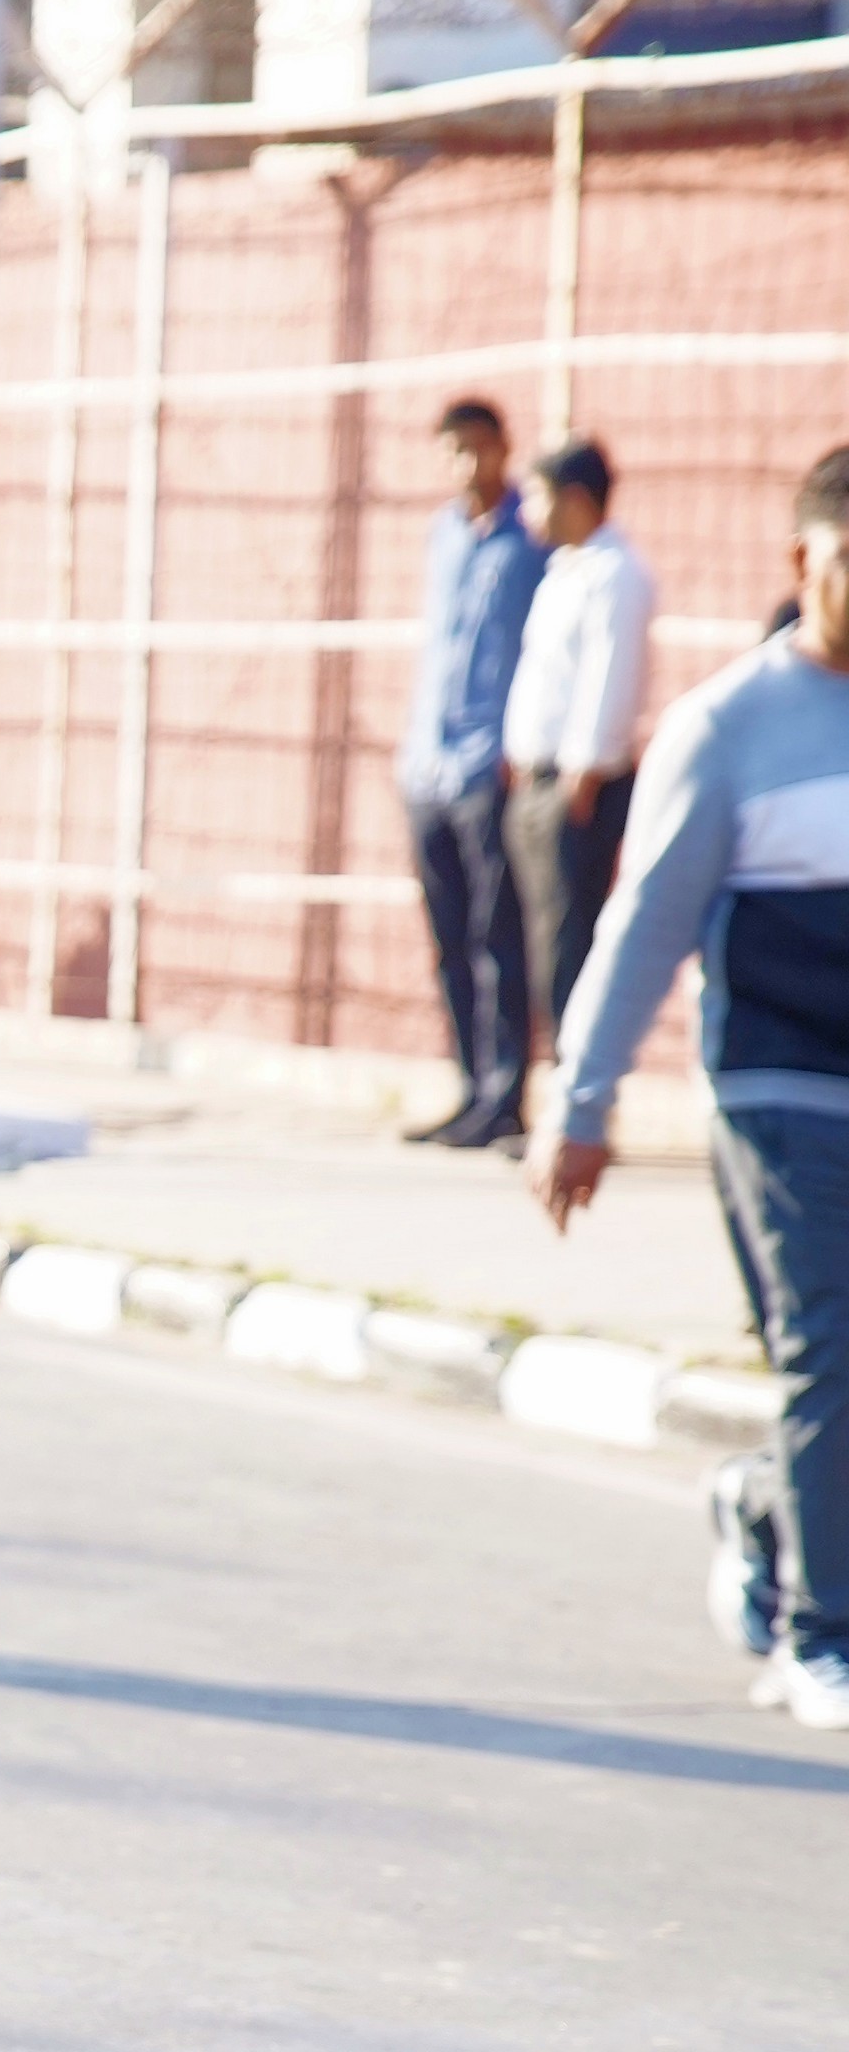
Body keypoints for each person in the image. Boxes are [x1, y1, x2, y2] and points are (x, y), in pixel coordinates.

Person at [534, 441, 849, 1733]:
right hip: (780, 1085)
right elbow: (643, 928)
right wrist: (580, 1103)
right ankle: (822, 1639)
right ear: (801, 560)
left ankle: (767, 1510)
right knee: (832, 1341)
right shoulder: (727, 729)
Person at [398, 396, 544, 1148]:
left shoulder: (531, 538)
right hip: (429, 764)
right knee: (449, 938)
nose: (466, 464)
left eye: (477, 448)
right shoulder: (445, 534)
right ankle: (468, 1085)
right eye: (453, 450)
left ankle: (505, 1094)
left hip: (491, 764)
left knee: (498, 938)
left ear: (502, 448)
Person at [503, 439, 653, 1047]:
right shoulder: (565, 571)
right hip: (539, 783)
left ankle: (578, 1085)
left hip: (576, 791)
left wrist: (581, 780)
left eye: (536, 497)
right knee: (542, 944)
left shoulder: (616, 575)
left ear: (574, 499)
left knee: (570, 945)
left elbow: (609, 678)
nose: (526, 512)